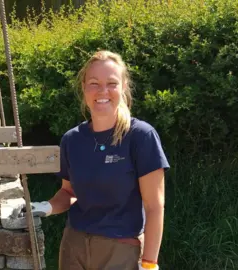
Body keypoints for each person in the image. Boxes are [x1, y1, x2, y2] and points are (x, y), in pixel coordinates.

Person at [31, 50, 170, 270]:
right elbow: (69, 193)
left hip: (121, 250)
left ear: (123, 87)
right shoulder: (72, 139)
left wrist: (150, 263)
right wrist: (44, 207)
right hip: (74, 247)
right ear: (84, 87)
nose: (102, 91)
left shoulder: (141, 136)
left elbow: (154, 206)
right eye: (94, 83)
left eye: (111, 83)